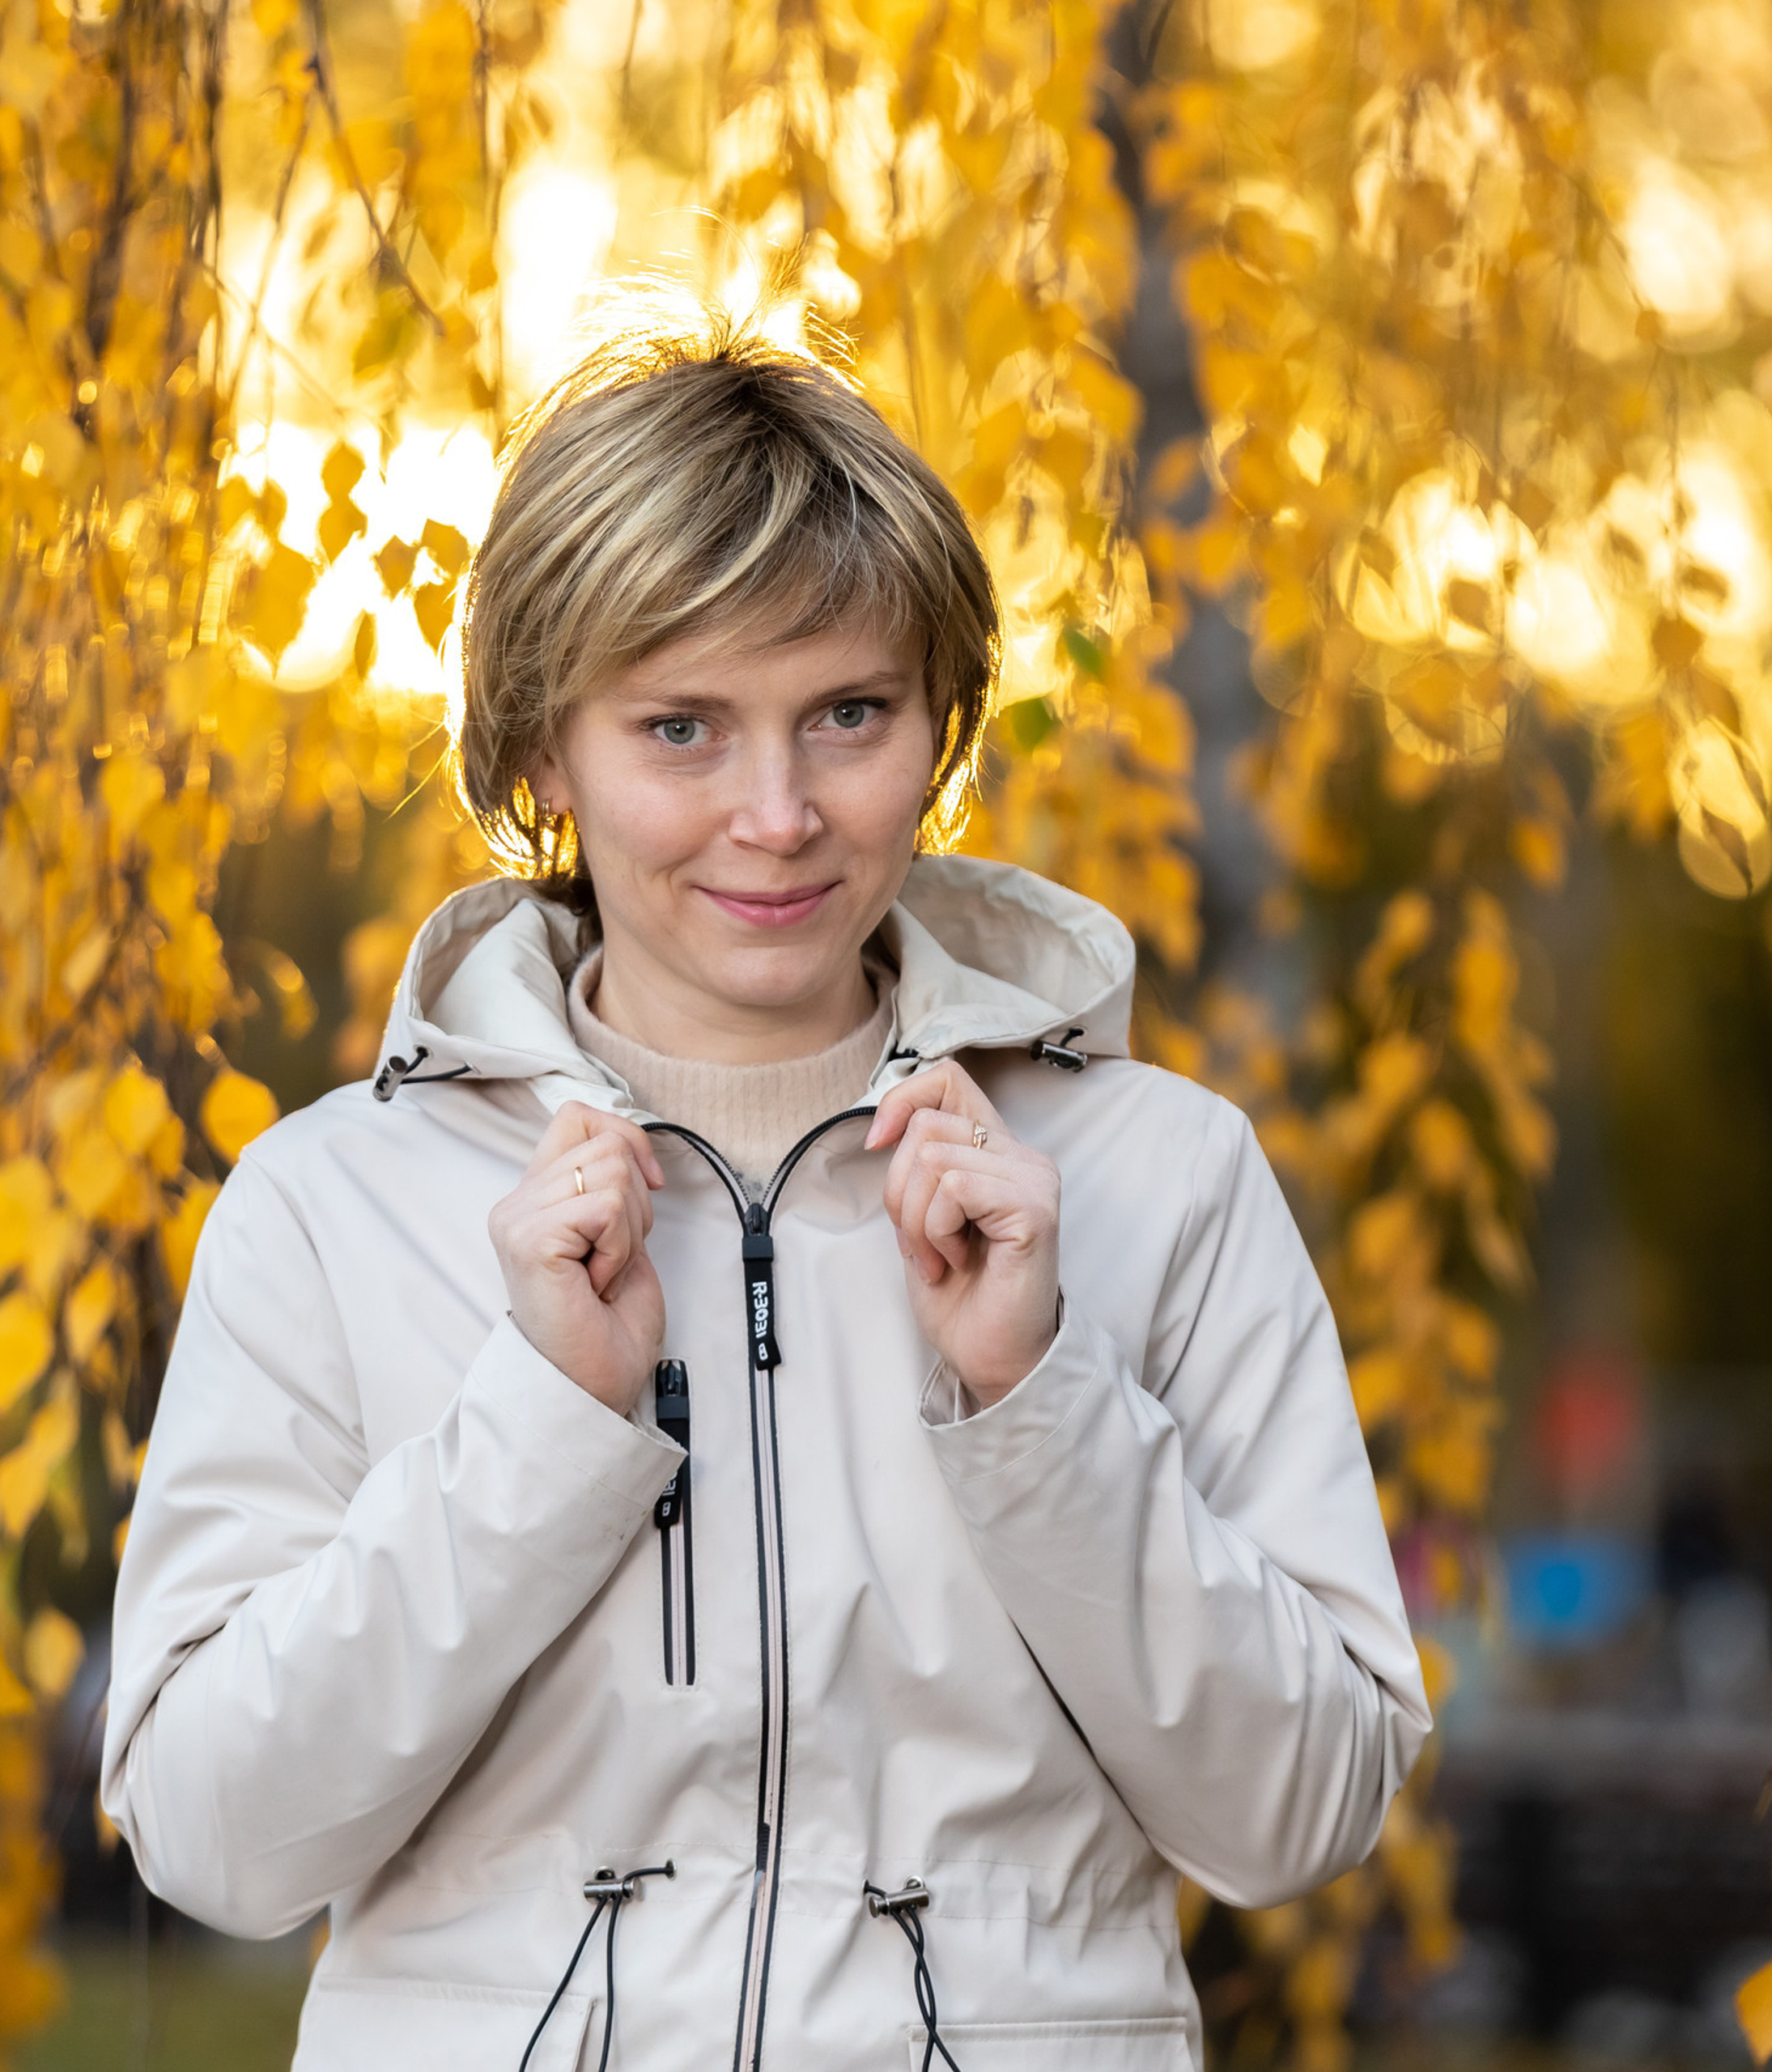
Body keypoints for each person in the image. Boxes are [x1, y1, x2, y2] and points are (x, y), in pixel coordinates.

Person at [101, 326, 1430, 2072]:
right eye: (682, 729)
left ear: (937, 727)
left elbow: (1303, 1807)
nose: (779, 814)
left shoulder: (1157, 1177)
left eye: (847, 715)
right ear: (542, 755)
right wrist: (537, 1427)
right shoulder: (329, 1203)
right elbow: (215, 1838)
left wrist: (1037, 1403)